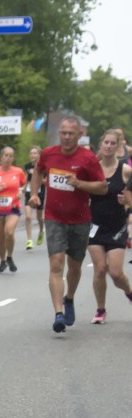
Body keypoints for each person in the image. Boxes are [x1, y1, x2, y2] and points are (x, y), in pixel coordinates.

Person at [29, 115, 107, 333]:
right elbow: (38, 171)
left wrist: (79, 183)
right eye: (63, 133)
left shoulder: (88, 158)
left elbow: (102, 187)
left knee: (74, 267)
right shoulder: (49, 153)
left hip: (80, 219)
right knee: (56, 265)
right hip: (54, 218)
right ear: (59, 133)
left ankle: (69, 298)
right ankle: (58, 313)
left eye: (71, 133)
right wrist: (34, 193)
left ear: (79, 135)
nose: (66, 137)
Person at [87, 129, 132, 324]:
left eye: (113, 143)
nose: (109, 146)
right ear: (101, 144)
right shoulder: (92, 169)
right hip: (94, 225)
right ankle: (100, 310)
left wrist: (127, 200)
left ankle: (129, 291)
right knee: (99, 269)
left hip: (117, 227)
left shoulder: (125, 170)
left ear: (118, 146)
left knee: (115, 273)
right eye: (106, 142)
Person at [0, 146, 26, 274]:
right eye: (6, 155)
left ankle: (10, 257)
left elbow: (24, 184)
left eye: (10, 156)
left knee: (9, 231)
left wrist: (21, 190)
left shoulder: (18, 171)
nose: (8, 158)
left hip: (13, 207)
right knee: (1, 237)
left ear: (13, 158)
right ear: (1, 157)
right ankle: (2, 261)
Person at [23, 146, 45, 250]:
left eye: (35, 153)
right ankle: (29, 240)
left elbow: (46, 181)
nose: (33, 155)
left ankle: (41, 231)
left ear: (40, 155)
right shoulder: (27, 166)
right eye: (31, 153)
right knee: (28, 216)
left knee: (39, 217)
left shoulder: (44, 166)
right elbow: (27, 178)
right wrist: (23, 188)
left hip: (40, 192)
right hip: (29, 192)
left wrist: (37, 176)